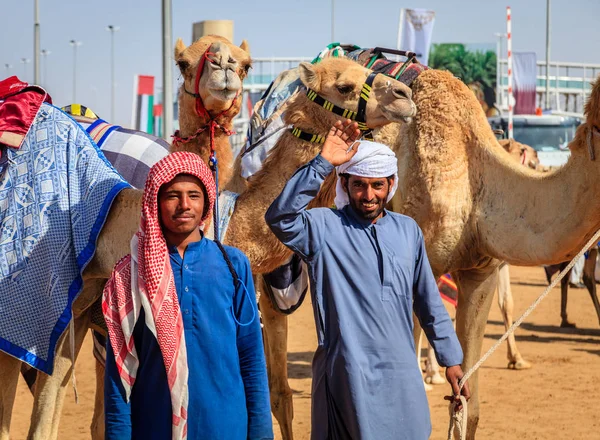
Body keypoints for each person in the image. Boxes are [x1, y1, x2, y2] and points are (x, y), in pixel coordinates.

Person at [265, 120, 469, 440]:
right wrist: (322, 163)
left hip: (402, 376)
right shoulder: (322, 228)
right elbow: (280, 217)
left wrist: (452, 360)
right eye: (359, 184)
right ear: (344, 185)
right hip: (345, 378)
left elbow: (429, 302)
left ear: (391, 184)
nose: (368, 195)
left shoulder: (407, 231)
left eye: (377, 185)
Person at [103, 151, 273, 440]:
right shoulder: (129, 274)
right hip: (155, 427)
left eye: (194, 195)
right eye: (173, 195)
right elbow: (118, 375)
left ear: (206, 202)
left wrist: (261, 433)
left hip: (226, 427)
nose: (184, 205)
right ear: (155, 202)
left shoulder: (233, 264)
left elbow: (251, 357)